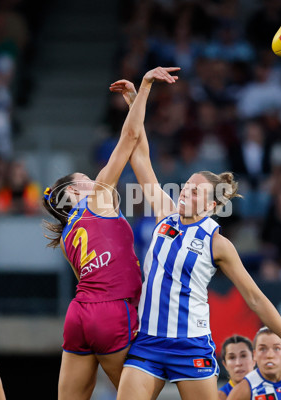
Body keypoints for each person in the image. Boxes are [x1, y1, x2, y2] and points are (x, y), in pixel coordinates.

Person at [109, 75, 281, 400]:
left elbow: (255, 298)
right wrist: (137, 100)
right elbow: (141, 156)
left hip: (191, 346)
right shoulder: (165, 214)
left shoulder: (218, 242)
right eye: (186, 186)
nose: (186, 191)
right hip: (147, 342)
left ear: (213, 204)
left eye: (196, 190)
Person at [42, 67, 180, 399]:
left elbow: (138, 154)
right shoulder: (99, 197)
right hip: (112, 311)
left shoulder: (65, 236)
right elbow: (130, 142)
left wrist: (133, 100)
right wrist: (144, 87)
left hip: (78, 315)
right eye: (85, 179)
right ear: (76, 193)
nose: (94, 178)